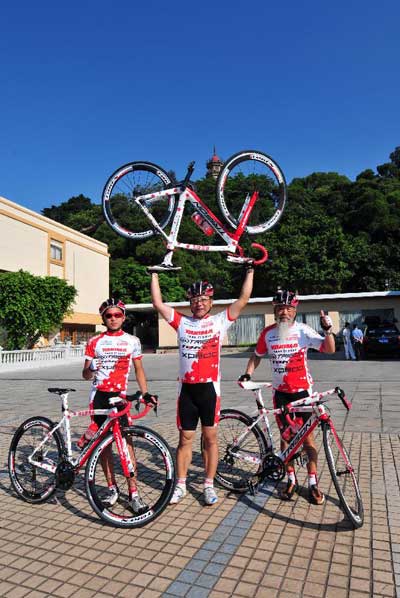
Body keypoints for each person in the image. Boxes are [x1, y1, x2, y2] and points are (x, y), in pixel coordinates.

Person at [149, 266, 254, 506]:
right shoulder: (181, 322)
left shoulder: (219, 321)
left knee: (210, 438)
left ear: (211, 301)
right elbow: (157, 302)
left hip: (209, 390)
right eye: (195, 300)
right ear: (190, 302)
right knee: (185, 439)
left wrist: (249, 270)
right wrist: (154, 273)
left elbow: (244, 299)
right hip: (186, 390)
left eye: (204, 299)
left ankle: (208, 485)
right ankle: (181, 485)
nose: (199, 303)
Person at [239, 289, 335, 505]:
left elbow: (329, 349)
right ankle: (290, 479)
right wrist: (248, 373)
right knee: (286, 438)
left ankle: (312, 483)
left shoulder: (303, 330)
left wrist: (328, 330)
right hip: (280, 394)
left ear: (295, 310)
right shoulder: (268, 333)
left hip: (303, 394)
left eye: (289, 308)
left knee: (307, 439)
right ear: (275, 310)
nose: (284, 312)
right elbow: (257, 355)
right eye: (280, 308)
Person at [82, 297, 155, 513]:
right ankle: (111, 488)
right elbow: (85, 374)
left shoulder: (132, 340)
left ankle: (133, 492)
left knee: (126, 443)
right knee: (103, 446)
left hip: (120, 397)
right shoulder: (94, 341)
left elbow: (139, 369)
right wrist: (91, 369)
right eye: (108, 315)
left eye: (117, 315)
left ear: (123, 317)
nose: (113, 318)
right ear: (103, 318)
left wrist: (145, 393)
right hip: (99, 397)